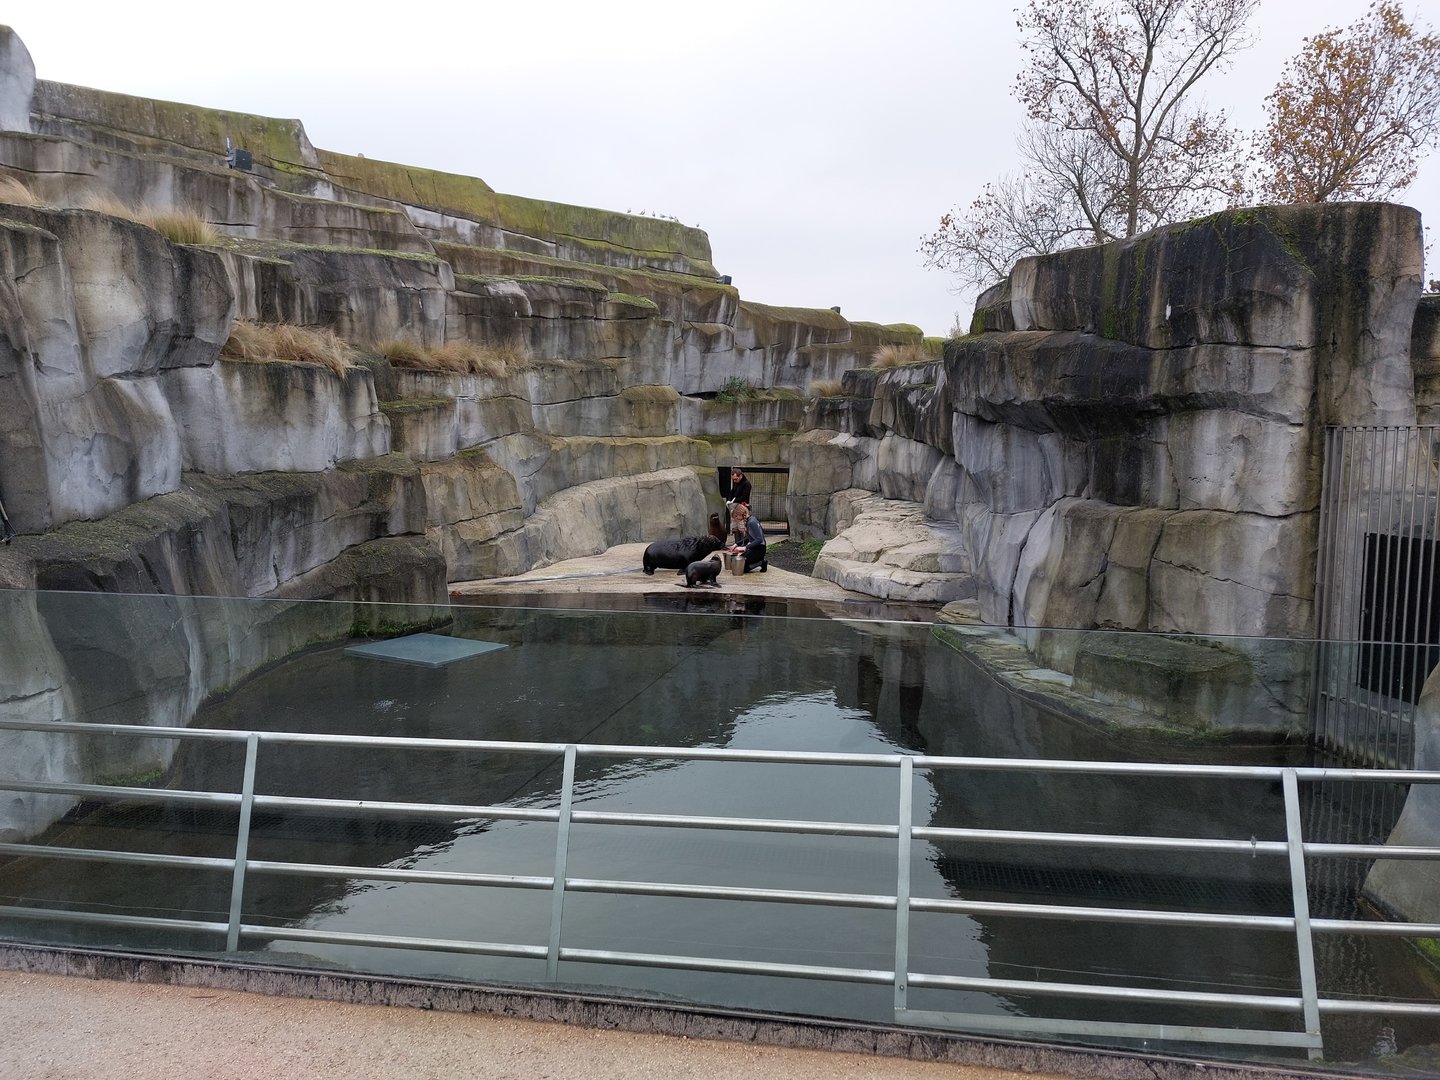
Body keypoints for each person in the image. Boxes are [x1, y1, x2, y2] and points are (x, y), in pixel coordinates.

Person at [729, 502, 766, 573]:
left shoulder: (752, 522)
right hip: (753, 548)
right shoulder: (748, 520)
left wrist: (745, 547)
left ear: (741, 513)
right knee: (736, 563)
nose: (736, 519)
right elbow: (750, 538)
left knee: (743, 568)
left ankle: (761, 562)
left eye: (736, 516)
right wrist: (736, 544)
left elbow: (759, 539)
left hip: (759, 550)